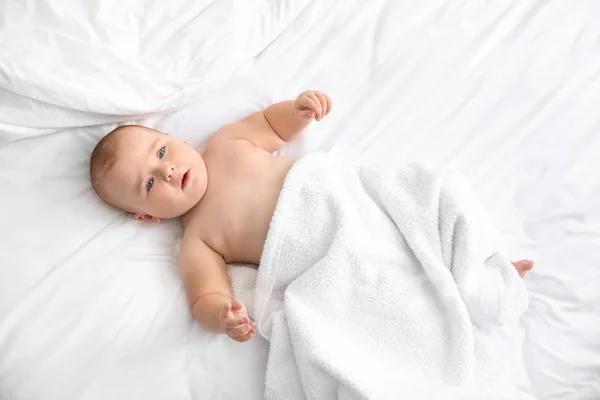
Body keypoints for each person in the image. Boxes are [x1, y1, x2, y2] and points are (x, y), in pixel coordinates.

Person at [89, 90, 534, 343]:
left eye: (161, 152)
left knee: (427, 193)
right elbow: (204, 294)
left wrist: (298, 109)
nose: (166, 171)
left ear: (173, 139)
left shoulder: (225, 144)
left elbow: (271, 124)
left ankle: (481, 269)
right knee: (389, 288)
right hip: (324, 253)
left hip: (346, 200)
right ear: (146, 217)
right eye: (149, 185)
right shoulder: (197, 241)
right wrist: (221, 314)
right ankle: (456, 304)